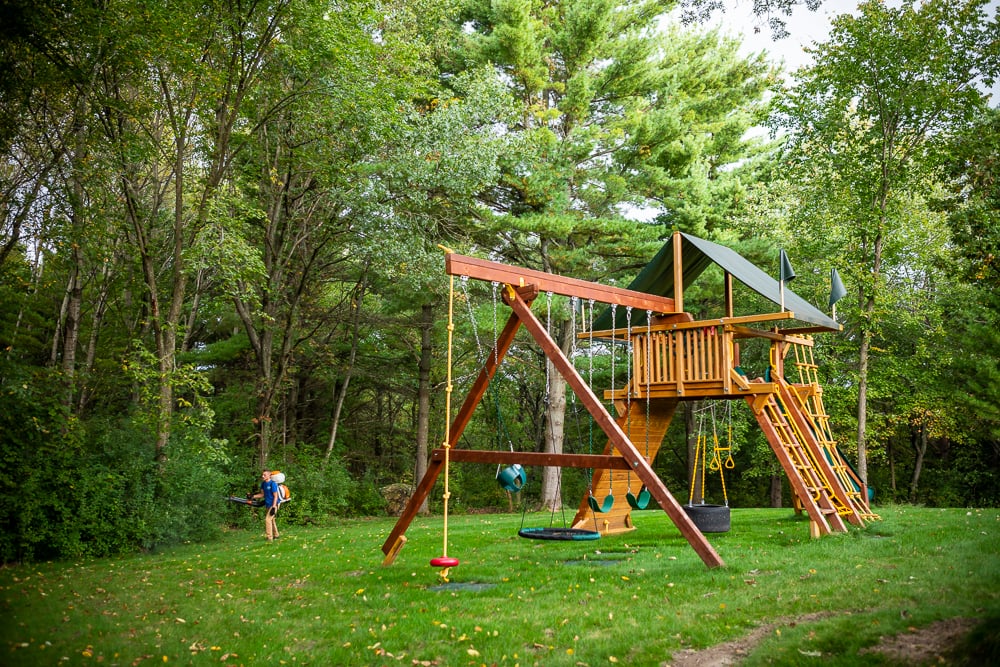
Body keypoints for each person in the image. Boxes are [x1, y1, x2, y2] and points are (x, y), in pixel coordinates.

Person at [253, 470, 280, 541]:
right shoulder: (263, 484)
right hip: (268, 504)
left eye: (264, 475)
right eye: (262, 475)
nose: (262, 476)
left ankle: (269, 538)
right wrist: (253, 496)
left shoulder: (273, 484)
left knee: (267, 520)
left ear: (269, 475)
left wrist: (274, 507)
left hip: (274, 504)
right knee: (272, 520)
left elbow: (275, 496)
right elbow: (262, 494)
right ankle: (276, 535)